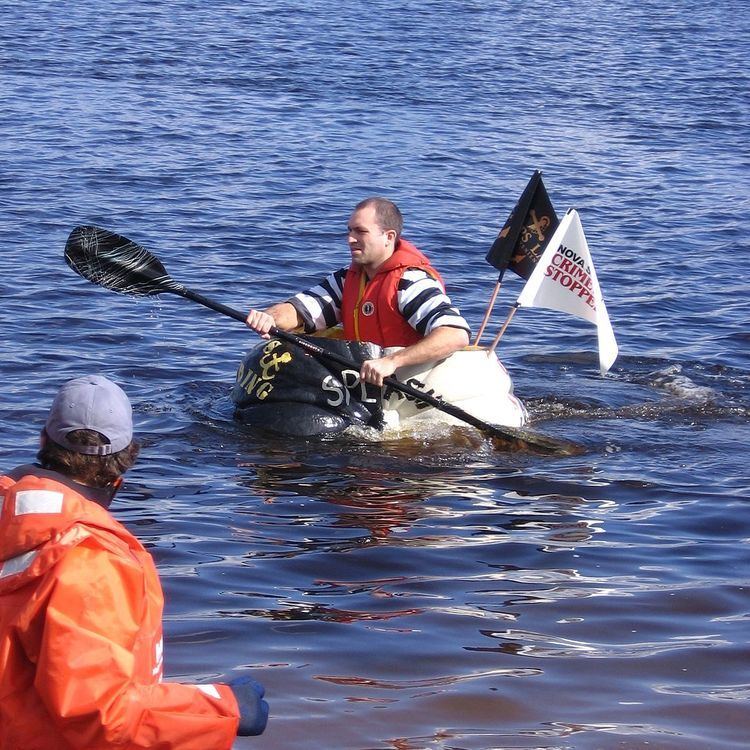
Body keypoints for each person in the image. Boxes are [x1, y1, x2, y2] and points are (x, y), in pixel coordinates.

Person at [0, 375, 268, 750]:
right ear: (124, 469)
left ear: (43, 441)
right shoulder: (91, 561)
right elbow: (99, 714)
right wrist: (225, 708)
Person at [245, 197, 471, 386]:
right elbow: (303, 309)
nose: (350, 239)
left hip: (409, 382)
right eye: (349, 231)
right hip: (363, 380)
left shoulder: (410, 281)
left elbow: (455, 334)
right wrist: (269, 318)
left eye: (360, 232)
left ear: (389, 237)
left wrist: (392, 361)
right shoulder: (347, 278)